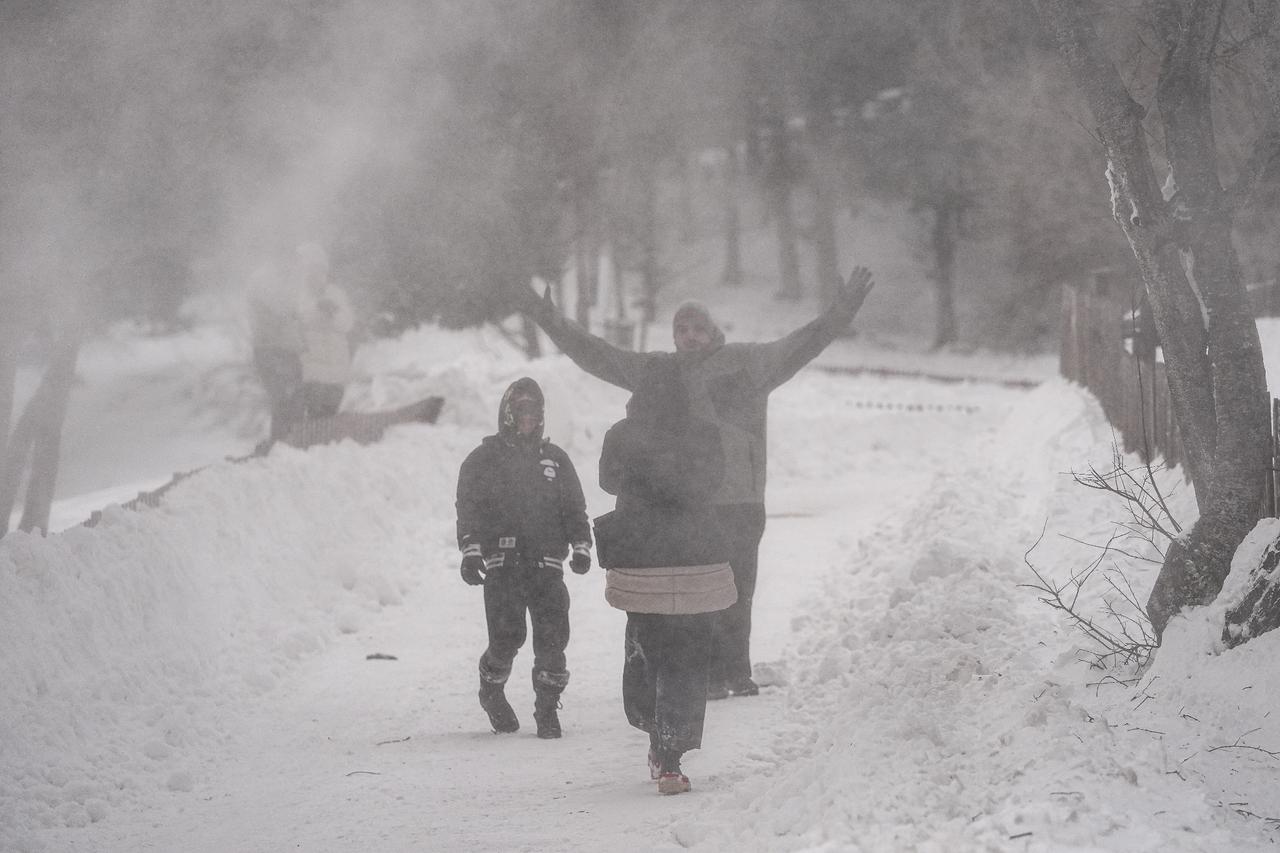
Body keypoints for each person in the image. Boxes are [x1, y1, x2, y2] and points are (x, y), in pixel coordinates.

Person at [520, 266, 874, 700]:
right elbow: (597, 354)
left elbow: (804, 343)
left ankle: (735, 672)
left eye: (698, 328)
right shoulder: (659, 371)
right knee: (700, 594)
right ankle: (705, 675)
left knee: (740, 588)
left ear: (714, 331)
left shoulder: (750, 363)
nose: (689, 336)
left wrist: (841, 312)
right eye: (681, 329)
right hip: (692, 503)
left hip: (741, 501)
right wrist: (548, 318)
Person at [595, 359, 736, 795]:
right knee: (689, 656)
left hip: (642, 556)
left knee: (646, 648)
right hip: (695, 555)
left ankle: (655, 736)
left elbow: (607, 481)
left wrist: (646, 479)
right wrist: (677, 482)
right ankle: (671, 756)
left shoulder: (622, 433)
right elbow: (713, 482)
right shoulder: (704, 432)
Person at [455, 377, 593, 739]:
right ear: (507, 414)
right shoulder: (483, 459)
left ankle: (547, 707)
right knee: (506, 637)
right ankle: (491, 690)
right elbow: (468, 509)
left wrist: (581, 545)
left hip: (547, 566)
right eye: (521, 410)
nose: (528, 418)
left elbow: (575, 508)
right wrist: (471, 550)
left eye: (534, 411)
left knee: (552, 639)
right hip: (503, 565)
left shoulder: (555, 460)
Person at [246, 256, 305, 444]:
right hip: (269, 348)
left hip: (287, 348)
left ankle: (290, 441)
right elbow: (283, 310)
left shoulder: (287, 279)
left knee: (294, 398)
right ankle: (281, 443)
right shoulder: (263, 280)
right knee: (281, 398)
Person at [294, 241, 355, 420]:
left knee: (329, 417)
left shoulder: (337, 294)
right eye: (311, 269)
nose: (316, 275)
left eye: (320, 270)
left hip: (337, 369)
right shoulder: (298, 294)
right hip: (311, 370)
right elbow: (298, 321)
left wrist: (334, 314)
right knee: (314, 416)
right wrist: (318, 310)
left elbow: (348, 323)